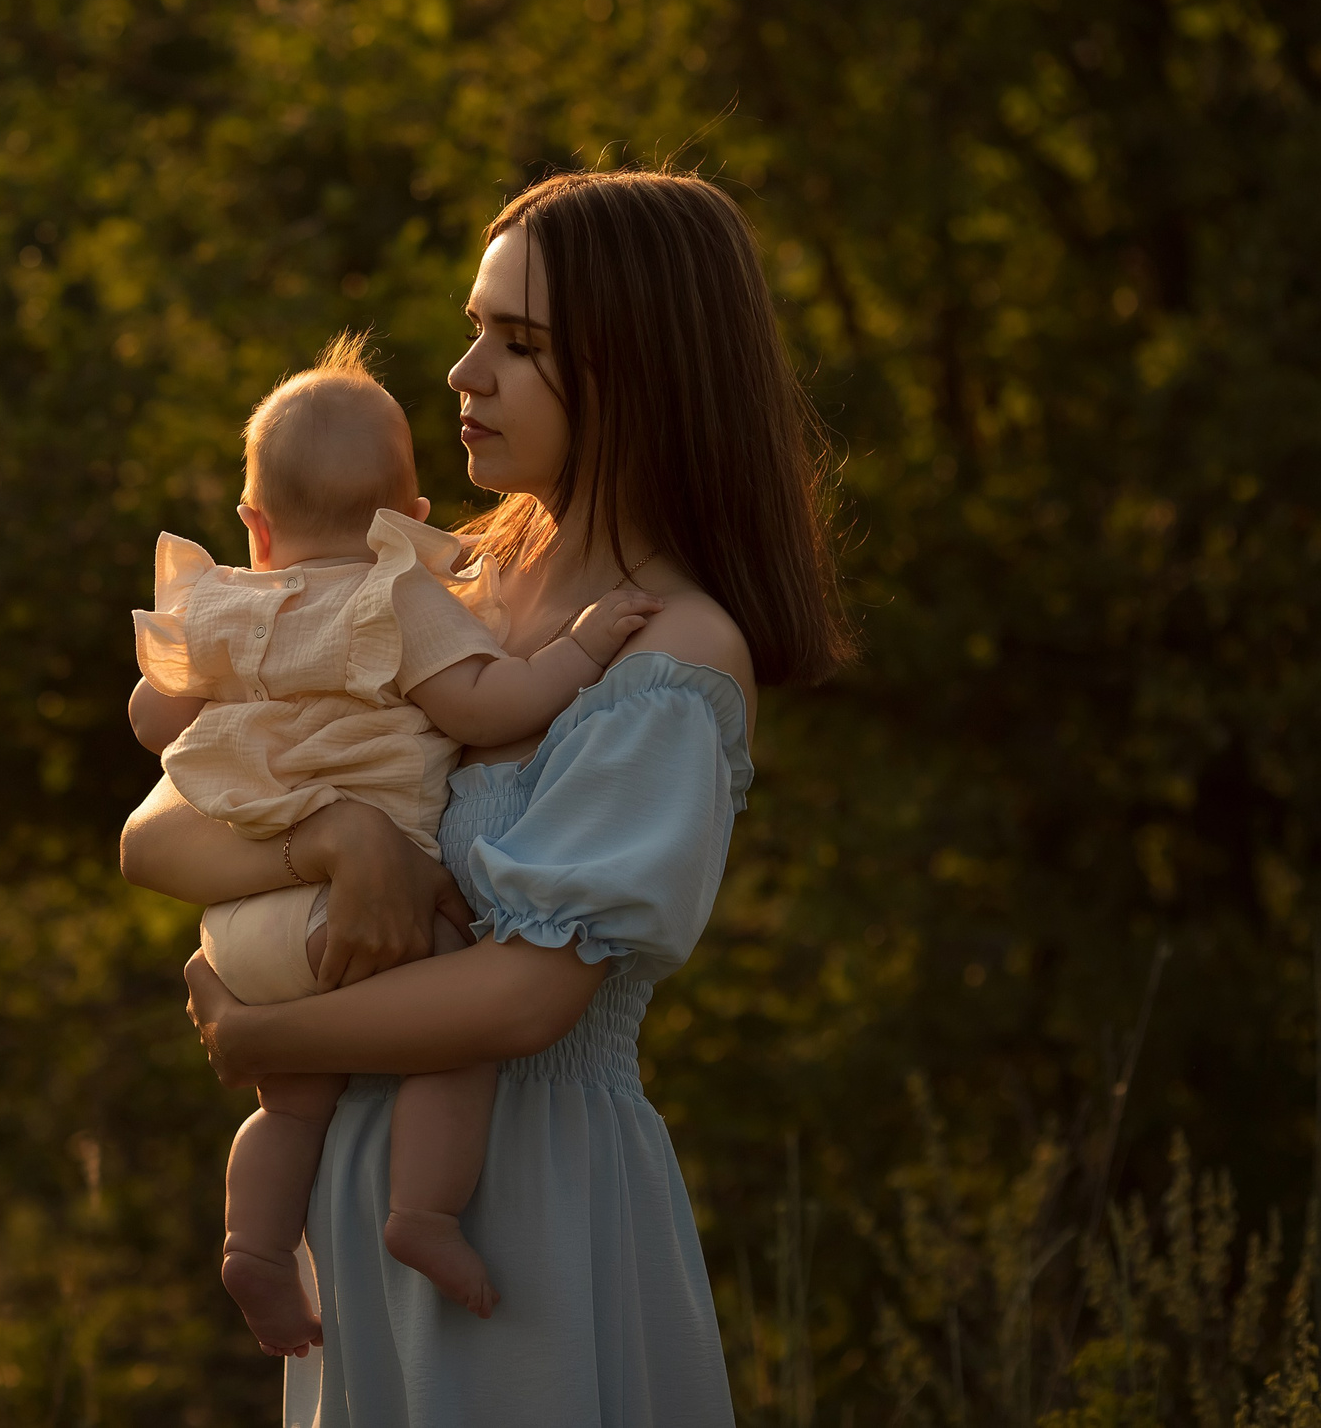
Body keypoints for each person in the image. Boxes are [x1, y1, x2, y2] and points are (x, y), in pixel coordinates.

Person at [119, 169, 850, 1425]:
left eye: (518, 344)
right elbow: (157, 835)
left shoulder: (671, 660)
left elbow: (525, 994)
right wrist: (341, 835)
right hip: (352, 1185)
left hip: (522, 1208)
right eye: (475, 329)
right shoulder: (430, 583)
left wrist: (261, 1040)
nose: (461, 373)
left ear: (638, 372)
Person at [125, 333, 664, 1353]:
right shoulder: (396, 597)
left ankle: (253, 1244)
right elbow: (490, 699)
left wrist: (203, 683)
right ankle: (421, 1212)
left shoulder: (224, 608)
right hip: (363, 922)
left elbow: (156, 730)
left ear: (254, 524)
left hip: (241, 934)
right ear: (406, 522)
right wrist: (585, 645)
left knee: (289, 1109)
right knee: (452, 1020)